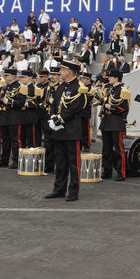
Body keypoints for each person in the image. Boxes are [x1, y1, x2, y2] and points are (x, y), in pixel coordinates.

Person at [45, 59, 87, 202]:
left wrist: (60, 119)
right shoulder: (61, 86)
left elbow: (76, 107)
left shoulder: (79, 87)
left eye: (62, 70)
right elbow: (54, 104)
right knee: (60, 163)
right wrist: (52, 117)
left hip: (71, 130)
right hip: (59, 131)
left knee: (73, 164)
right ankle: (59, 189)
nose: (60, 72)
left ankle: (73, 191)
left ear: (69, 71)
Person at [100, 69, 129, 181]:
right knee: (106, 149)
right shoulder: (109, 89)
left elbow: (123, 108)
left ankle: (121, 172)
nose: (108, 78)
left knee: (118, 149)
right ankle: (107, 171)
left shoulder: (123, 90)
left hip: (117, 122)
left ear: (116, 78)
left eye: (110, 77)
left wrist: (109, 107)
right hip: (107, 121)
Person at [0, 68, 25, 168]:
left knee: (15, 141)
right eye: (5, 75)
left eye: (7, 75)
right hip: (4, 116)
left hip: (14, 117)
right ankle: (4, 160)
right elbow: (0, 99)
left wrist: (8, 102)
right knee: (5, 140)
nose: (5, 77)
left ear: (13, 76)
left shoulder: (20, 87)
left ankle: (17, 161)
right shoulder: (4, 87)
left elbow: (21, 103)